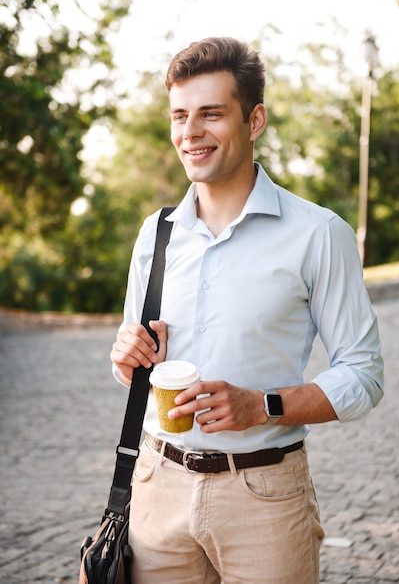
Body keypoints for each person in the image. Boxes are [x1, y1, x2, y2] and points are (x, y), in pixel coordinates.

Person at [110, 36, 384, 584]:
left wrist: (263, 405)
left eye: (211, 114)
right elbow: (136, 362)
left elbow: (364, 376)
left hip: (265, 498)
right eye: (180, 115)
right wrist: (127, 360)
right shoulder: (156, 235)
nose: (190, 133)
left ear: (253, 120)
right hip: (156, 490)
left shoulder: (318, 234)